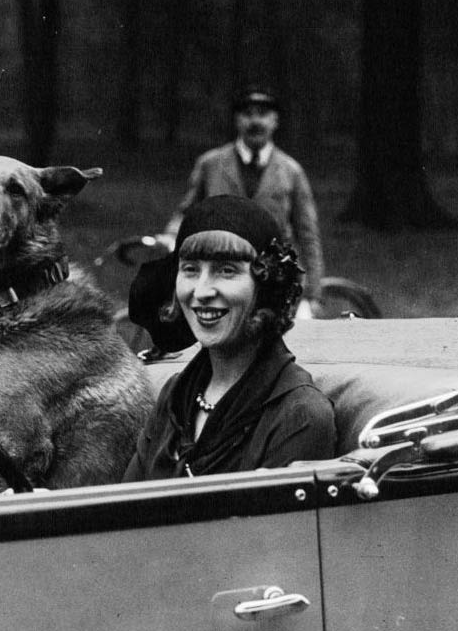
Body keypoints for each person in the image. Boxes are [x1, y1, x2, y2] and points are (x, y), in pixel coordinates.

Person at [125, 196, 336, 480]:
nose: (201, 291)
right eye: (190, 269)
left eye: (226, 270)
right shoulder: (176, 396)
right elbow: (126, 509)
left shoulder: (299, 415)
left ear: (265, 286)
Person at [163, 86, 326, 317]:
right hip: (219, 273)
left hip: (273, 279)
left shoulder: (291, 171)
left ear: (275, 121)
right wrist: (170, 236)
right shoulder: (211, 164)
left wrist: (312, 295)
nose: (255, 122)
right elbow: (185, 212)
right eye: (248, 114)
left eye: (263, 114)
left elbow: (308, 235)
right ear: (237, 120)